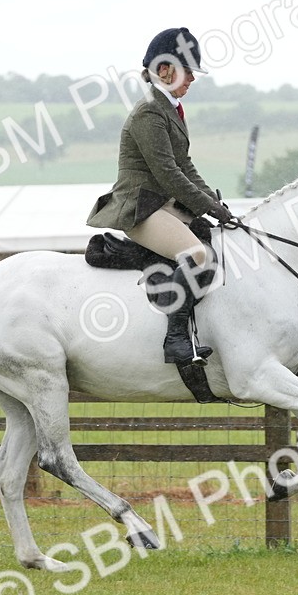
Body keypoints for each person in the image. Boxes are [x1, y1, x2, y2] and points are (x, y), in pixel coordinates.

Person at [86, 27, 234, 366]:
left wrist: (215, 204)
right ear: (164, 70)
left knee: (215, 238)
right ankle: (176, 340)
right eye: (187, 70)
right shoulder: (149, 113)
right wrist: (208, 207)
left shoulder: (170, 109)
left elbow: (186, 165)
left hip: (163, 205)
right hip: (140, 208)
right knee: (197, 256)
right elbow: (169, 173)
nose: (193, 79)